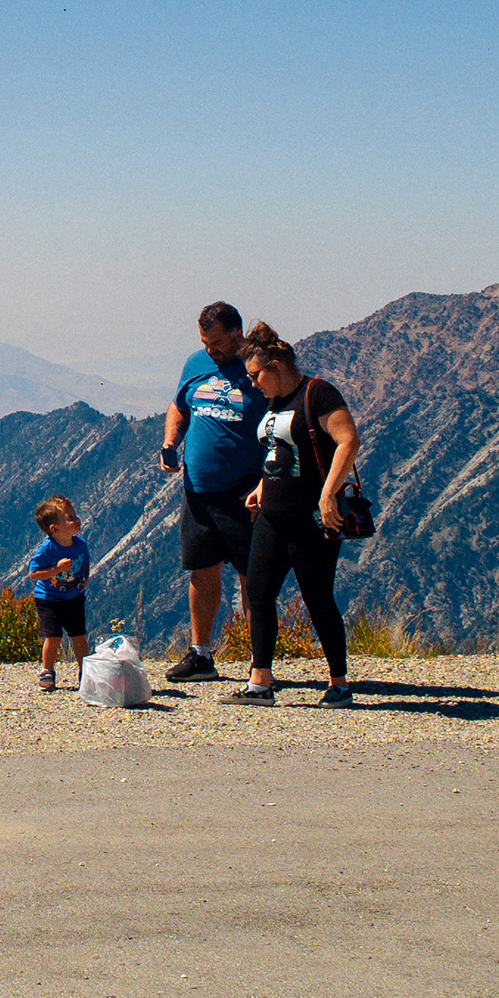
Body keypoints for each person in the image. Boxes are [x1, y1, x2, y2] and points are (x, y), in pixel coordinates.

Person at [232, 331, 362, 708]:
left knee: (317, 597)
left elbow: (348, 441)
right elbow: (279, 450)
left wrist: (327, 494)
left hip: (311, 519)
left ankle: (339, 683)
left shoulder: (318, 393)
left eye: (256, 375)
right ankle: (260, 681)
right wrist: (261, 486)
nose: (253, 383)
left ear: (275, 366)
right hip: (272, 516)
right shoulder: (276, 400)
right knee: (258, 593)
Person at [158, 302, 263, 685]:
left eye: (217, 343)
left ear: (238, 335)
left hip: (245, 492)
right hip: (197, 489)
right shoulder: (195, 364)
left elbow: (283, 420)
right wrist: (171, 441)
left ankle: (259, 661)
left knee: (251, 577)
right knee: (202, 573)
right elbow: (178, 406)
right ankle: (201, 655)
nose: (211, 350)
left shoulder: (258, 369)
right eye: (205, 342)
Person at [6, 496, 91, 692]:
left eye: (75, 515)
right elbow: (34, 574)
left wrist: (85, 579)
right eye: (70, 518)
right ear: (55, 528)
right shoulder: (47, 549)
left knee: (79, 637)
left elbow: (85, 562)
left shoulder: (81, 545)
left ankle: (85, 673)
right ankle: (47, 670)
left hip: (74, 597)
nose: (76, 520)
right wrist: (56, 570)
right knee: (53, 637)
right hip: (49, 600)